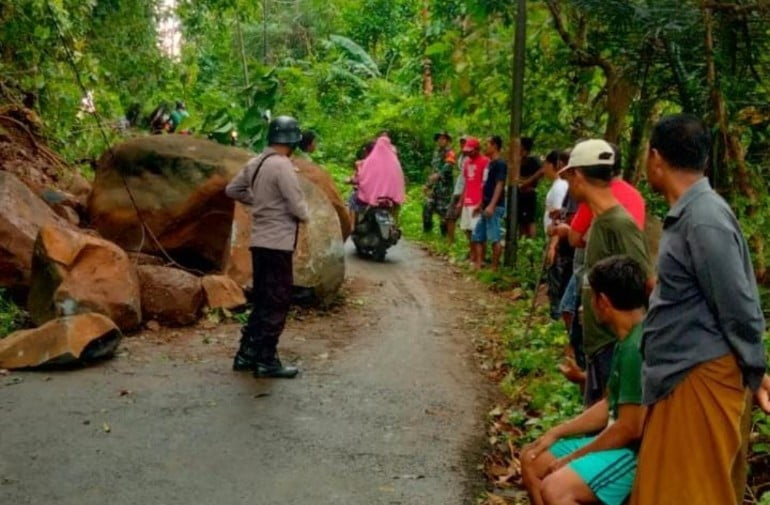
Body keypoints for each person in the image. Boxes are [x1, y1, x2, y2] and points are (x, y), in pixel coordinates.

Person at [629, 114, 770, 505]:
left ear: (655, 158)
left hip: (699, 376)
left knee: (691, 494)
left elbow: (739, 304)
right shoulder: (690, 215)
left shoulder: (705, 220)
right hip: (678, 379)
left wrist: (755, 370)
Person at [521, 255, 648, 505]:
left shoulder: (636, 348)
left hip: (633, 453)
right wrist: (556, 432)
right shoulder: (625, 340)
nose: (584, 307)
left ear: (603, 301)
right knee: (531, 459)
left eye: (590, 297)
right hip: (615, 439)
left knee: (556, 489)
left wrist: (572, 458)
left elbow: (630, 427)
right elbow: (609, 404)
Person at [558, 139, 652, 407]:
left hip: (614, 345)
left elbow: (646, 282)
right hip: (600, 345)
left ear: (577, 175)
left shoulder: (619, 225)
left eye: (568, 176)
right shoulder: (600, 221)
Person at [225, 115, 308, 379]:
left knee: (262, 299)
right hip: (278, 244)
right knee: (277, 301)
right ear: (292, 140)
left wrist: (258, 202)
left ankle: (246, 354)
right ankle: (266, 360)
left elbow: (232, 189)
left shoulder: (256, 161)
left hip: (260, 243)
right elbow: (297, 206)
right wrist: (306, 215)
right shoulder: (282, 166)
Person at [471, 135, 507, 270]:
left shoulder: (500, 164)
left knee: (495, 237)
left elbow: (499, 184)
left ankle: (494, 267)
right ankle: (479, 263)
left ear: (495, 146)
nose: (485, 147)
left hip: (495, 207)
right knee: (477, 235)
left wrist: (492, 205)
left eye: (487, 144)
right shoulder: (490, 164)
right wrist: (481, 204)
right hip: (485, 205)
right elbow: (486, 185)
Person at [542, 150, 570, 320]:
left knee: (557, 281)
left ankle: (556, 316)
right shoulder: (558, 185)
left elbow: (560, 220)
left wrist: (553, 245)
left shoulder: (560, 187)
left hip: (558, 242)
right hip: (554, 239)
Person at [456, 137, 489, 264]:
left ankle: (480, 259)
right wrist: (461, 201)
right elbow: (466, 183)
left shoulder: (485, 161)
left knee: (478, 231)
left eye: (471, 150)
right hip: (467, 200)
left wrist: (482, 202)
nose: (469, 153)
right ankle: (473, 255)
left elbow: (485, 184)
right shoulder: (466, 162)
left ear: (477, 149)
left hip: (477, 200)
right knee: (467, 229)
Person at [355, 135, 406, 209]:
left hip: (374, 199)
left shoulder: (370, 161)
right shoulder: (395, 163)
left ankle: (352, 219)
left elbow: (362, 177)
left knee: (355, 201)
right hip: (394, 199)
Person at [423, 131, 456, 237]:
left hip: (445, 188)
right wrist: (428, 185)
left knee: (444, 213)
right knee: (427, 207)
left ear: (447, 140)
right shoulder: (436, 153)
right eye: (439, 139)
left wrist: (439, 174)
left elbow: (449, 165)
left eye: (443, 139)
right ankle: (427, 234)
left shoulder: (450, 152)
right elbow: (433, 170)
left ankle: (444, 237)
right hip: (435, 188)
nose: (440, 141)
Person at [518, 137, 543, 238]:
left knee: (529, 220)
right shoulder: (519, 160)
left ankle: (531, 242)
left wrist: (527, 182)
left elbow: (542, 171)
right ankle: (522, 243)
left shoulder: (532, 160)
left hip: (528, 194)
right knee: (521, 221)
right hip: (520, 195)